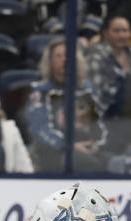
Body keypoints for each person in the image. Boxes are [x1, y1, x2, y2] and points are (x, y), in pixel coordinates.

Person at [24, 38, 108, 172]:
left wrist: (98, 144)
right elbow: (39, 129)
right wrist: (69, 146)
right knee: (82, 163)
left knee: (113, 162)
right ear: (50, 61)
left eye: (68, 55)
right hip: (56, 152)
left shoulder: (87, 90)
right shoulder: (40, 91)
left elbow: (101, 122)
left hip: (88, 147)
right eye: (58, 56)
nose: (64, 59)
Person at [86, 15, 131, 119]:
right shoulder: (95, 56)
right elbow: (94, 95)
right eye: (116, 31)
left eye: (125, 31)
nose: (121, 35)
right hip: (106, 115)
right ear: (106, 34)